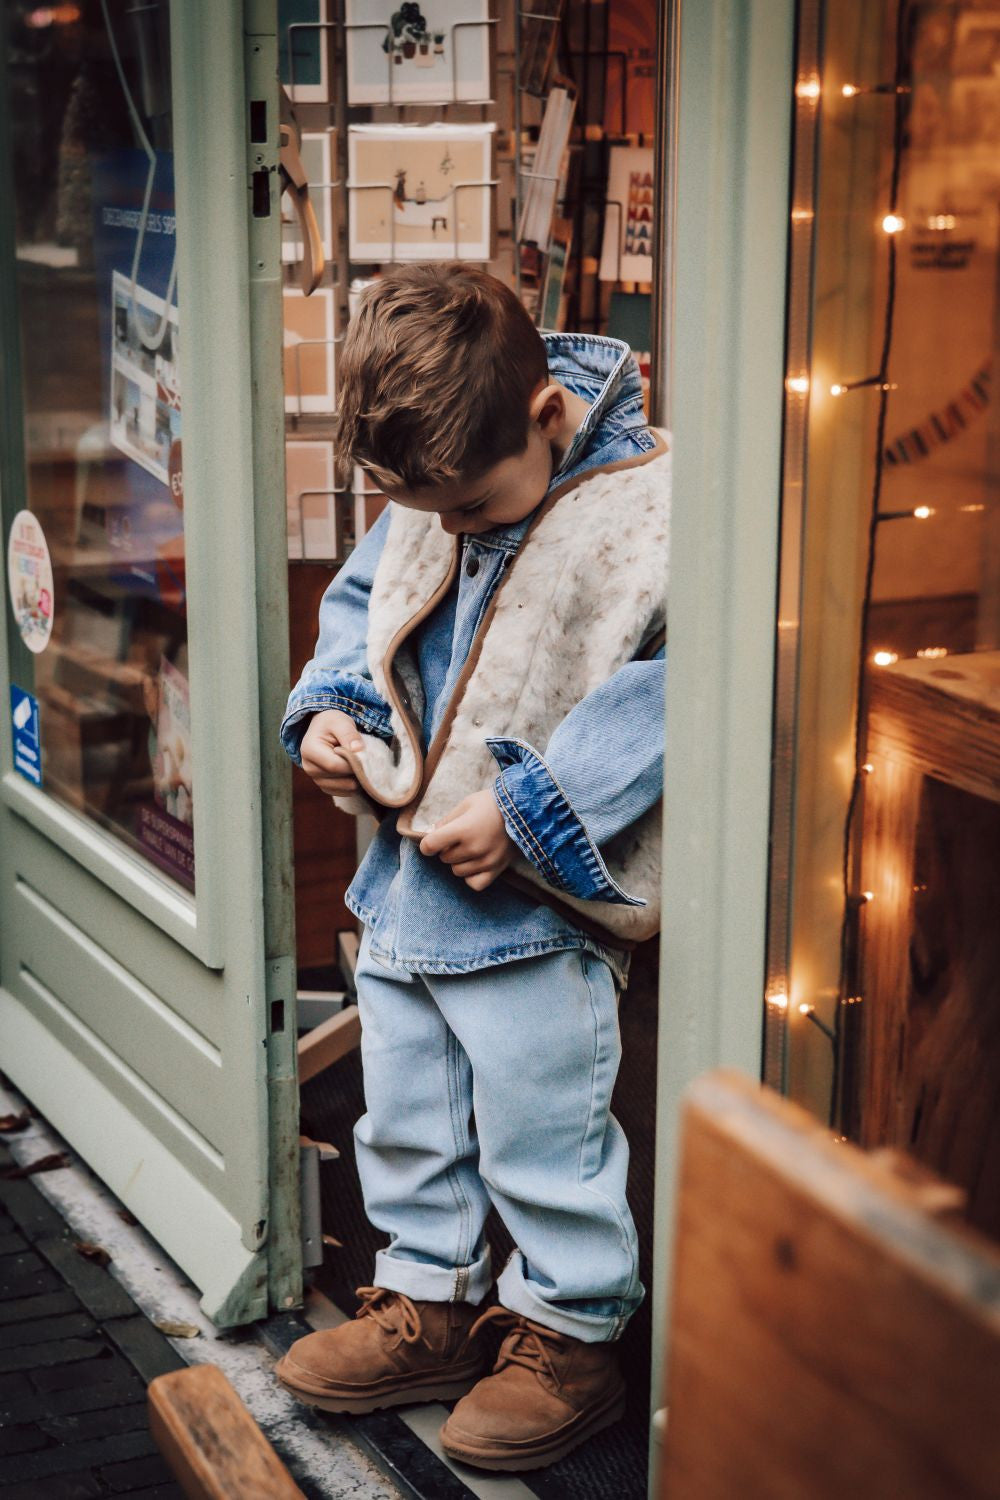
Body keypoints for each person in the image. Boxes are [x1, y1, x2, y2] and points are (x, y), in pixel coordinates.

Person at [275, 263, 670, 1472]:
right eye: (425, 508)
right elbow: (367, 599)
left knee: (544, 1126)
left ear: (548, 414)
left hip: (534, 895)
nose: (449, 526)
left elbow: (672, 688)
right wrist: (335, 709)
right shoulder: (446, 468)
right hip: (412, 876)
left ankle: (571, 1333)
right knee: (405, 1105)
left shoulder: (654, 511)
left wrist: (538, 809)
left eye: (472, 506)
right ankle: (430, 1301)